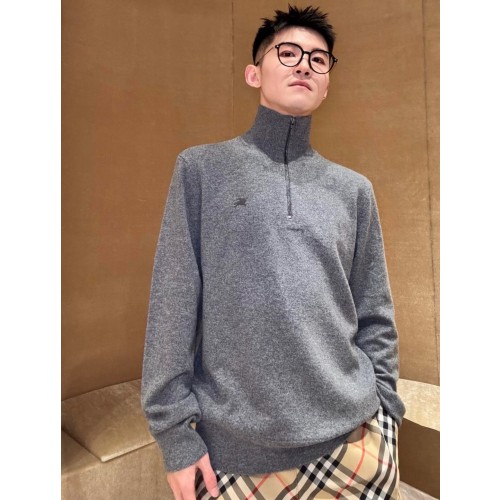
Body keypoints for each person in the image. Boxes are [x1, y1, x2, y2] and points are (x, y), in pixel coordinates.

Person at [141, 5, 406, 499]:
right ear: (254, 72)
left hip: (355, 443)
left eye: (318, 59)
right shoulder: (201, 170)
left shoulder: (353, 190)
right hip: (235, 456)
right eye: (287, 53)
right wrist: (175, 436)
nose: (304, 64)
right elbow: (172, 306)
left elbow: (375, 314)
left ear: (327, 84)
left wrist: (387, 414)